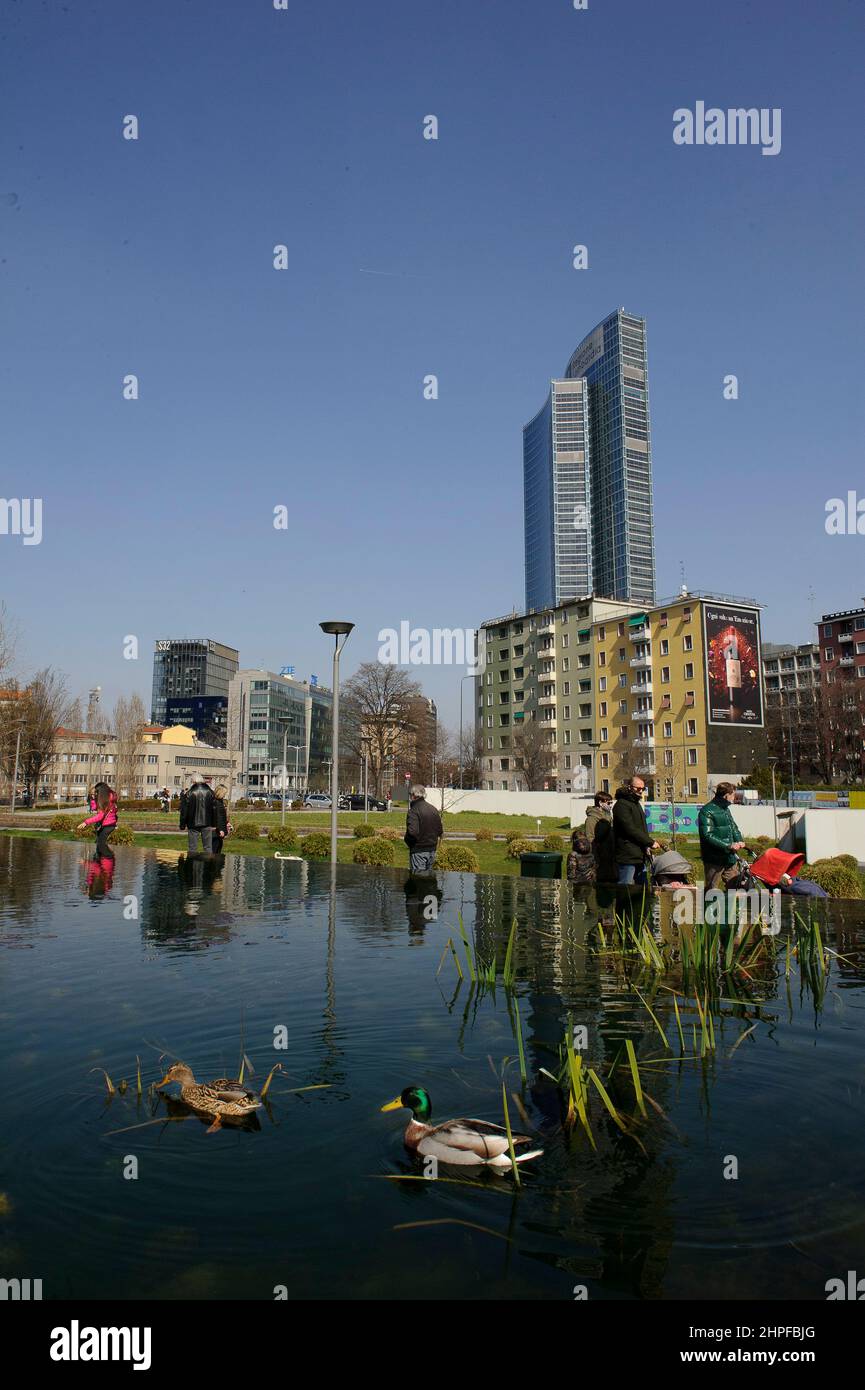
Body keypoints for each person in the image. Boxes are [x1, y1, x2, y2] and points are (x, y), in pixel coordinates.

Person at [697, 781, 746, 889]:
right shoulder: (707, 811)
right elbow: (707, 835)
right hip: (714, 859)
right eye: (733, 794)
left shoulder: (726, 810)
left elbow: (733, 827)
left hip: (729, 858)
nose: (735, 797)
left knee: (735, 887)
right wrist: (728, 845)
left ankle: (731, 905)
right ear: (726, 795)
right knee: (712, 890)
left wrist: (739, 840)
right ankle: (709, 905)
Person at [613, 776, 661, 885]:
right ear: (629, 787)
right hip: (627, 856)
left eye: (642, 789)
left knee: (642, 888)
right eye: (638, 788)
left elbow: (641, 828)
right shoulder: (622, 805)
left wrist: (646, 846)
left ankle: (639, 902)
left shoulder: (636, 803)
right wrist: (650, 842)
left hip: (640, 854)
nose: (640, 791)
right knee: (626, 888)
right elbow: (629, 829)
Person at [748, 847, 828, 898]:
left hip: (789, 881)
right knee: (809, 888)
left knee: (809, 887)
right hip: (787, 882)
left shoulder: (791, 883)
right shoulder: (791, 885)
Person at [403, 784, 443, 874]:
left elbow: (412, 832)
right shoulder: (433, 809)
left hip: (418, 851)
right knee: (428, 882)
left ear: (413, 795)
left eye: (410, 795)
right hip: (432, 850)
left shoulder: (414, 811)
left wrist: (407, 841)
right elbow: (440, 830)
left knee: (418, 881)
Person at [77, 781, 118, 856]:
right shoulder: (107, 799)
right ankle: (99, 861)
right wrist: (93, 800)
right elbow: (94, 808)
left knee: (101, 845)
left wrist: (86, 822)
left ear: (101, 792)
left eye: (96, 792)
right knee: (99, 844)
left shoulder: (105, 801)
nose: (95, 794)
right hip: (107, 824)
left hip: (107, 825)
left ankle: (107, 859)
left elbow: (100, 816)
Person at [180, 771, 216, 853]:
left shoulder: (189, 793)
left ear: (193, 781)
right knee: (208, 848)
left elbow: (184, 811)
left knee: (192, 848)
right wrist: (214, 823)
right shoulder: (210, 792)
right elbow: (214, 808)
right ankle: (207, 865)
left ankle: (192, 864)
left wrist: (182, 824)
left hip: (192, 823)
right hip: (207, 822)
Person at [585, 791, 616, 882]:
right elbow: (590, 838)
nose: (610, 805)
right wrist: (596, 857)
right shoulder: (591, 819)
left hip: (610, 856)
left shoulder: (608, 816)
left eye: (611, 803)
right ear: (600, 803)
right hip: (599, 857)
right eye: (608, 803)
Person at [212, 784, 231, 851]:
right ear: (220, 792)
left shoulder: (219, 801)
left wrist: (227, 823)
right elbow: (218, 817)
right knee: (215, 850)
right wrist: (220, 830)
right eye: (224, 793)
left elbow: (221, 816)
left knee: (218, 848)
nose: (225, 795)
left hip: (218, 830)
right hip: (217, 831)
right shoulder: (217, 803)